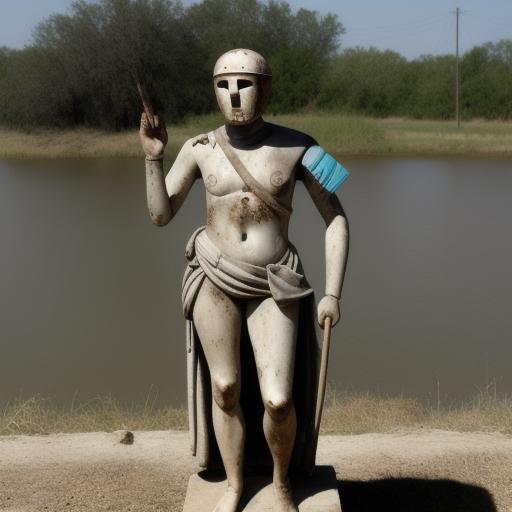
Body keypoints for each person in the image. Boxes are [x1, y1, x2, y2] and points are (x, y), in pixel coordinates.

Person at [140, 49, 349, 512]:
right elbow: (160, 215)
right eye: (224, 84)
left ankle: (281, 482)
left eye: (245, 83)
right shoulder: (199, 148)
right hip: (213, 273)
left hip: (275, 280)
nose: (234, 94)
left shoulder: (301, 146)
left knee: (278, 399)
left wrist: (333, 292)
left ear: (267, 88)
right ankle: (234, 484)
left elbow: (335, 218)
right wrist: (154, 158)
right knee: (225, 387)